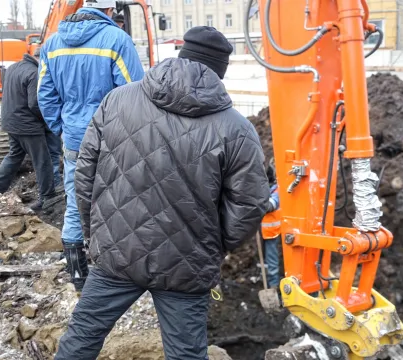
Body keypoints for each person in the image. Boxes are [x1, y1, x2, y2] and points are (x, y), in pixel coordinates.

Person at [56, 26, 270, 359]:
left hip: (117, 251)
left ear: (182, 53)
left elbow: (85, 175)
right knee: (186, 354)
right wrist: (214, 244)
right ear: (221, 70)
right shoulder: (237, 129)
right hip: (187, 265)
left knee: (82, 337)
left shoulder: (118, 100)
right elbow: (250, 205)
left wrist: (95, 233)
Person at [38, 0, 144, 292]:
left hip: (74, 138)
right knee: (118, 198)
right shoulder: (116, 40)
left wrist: (63, 128)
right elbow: (135, 92)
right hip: (112, 138)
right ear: (110, 9)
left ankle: (78, 274)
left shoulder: (52, 44)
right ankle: (117, 267)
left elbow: (45, 96)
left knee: (75, 199)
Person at [0, 48, 64, 211]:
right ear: (41, 58)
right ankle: (47, 197)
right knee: (42, 160)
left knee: (14, 156)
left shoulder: (13, 68)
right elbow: (34, 104)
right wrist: (48, 120)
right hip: (28, 125)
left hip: (11, 122)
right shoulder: (34, 73)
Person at [261, 162, 282, 289]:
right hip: (266, 231)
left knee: (273, 261)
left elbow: (271, 205)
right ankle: (270, 283)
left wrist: (255, 201)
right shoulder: (266, 189)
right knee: (268, 260)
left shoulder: (278, 189)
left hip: (276, 231)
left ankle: (274, 287)